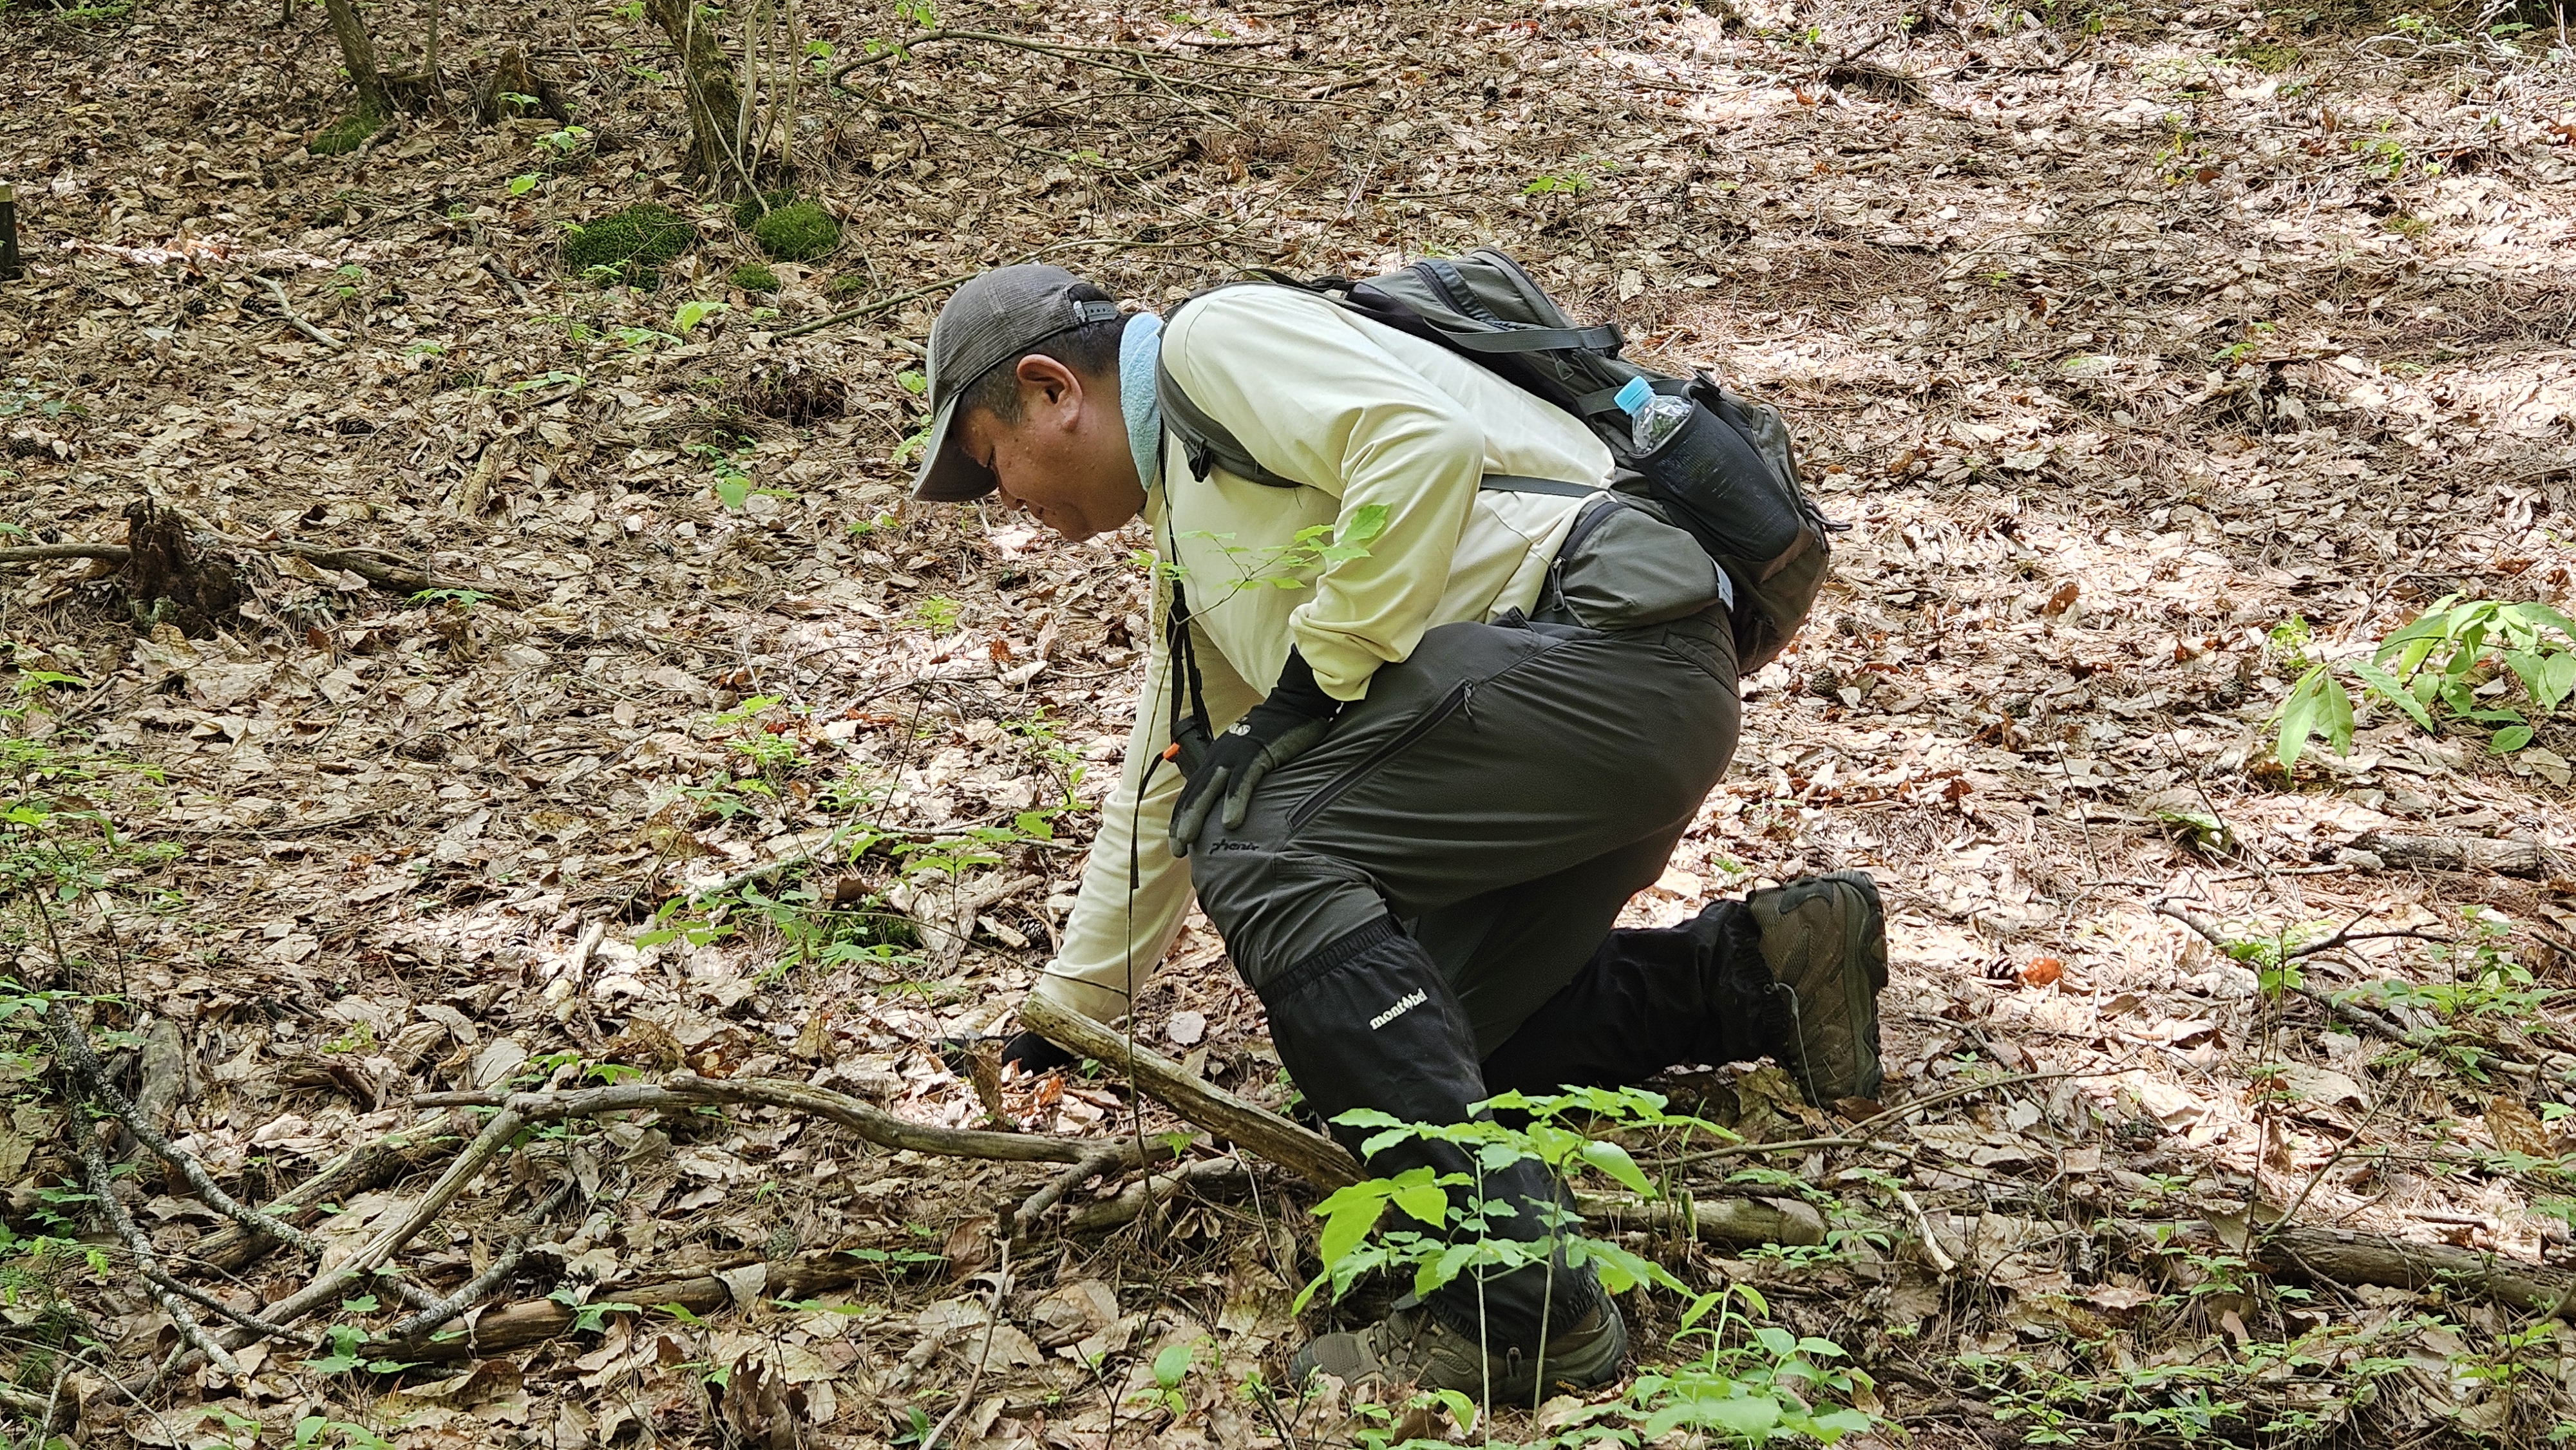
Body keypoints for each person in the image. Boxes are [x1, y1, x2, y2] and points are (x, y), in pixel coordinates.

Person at [906, 263, 1889, 1401]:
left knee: (1269, 847)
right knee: (1420, 1052)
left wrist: (1308, 688)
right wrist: (1075, 1016)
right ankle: (1765, 971)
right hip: (1606, 704)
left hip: (1611, 651)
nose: (1008, 504)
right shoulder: (1197, 528)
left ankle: (1518, 1307)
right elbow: (1172, 783)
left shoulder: (1211, 346)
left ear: (1047, 390)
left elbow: (1418, 446)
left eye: (992, 464)